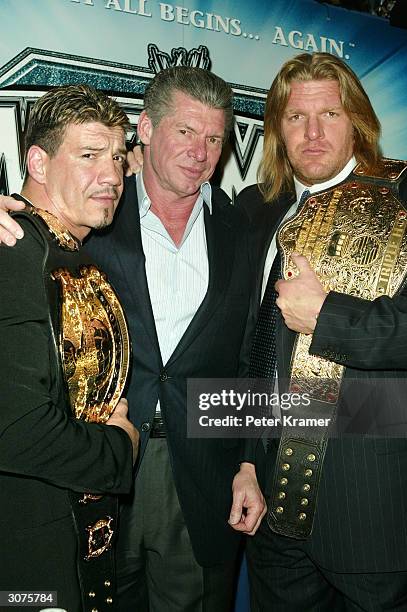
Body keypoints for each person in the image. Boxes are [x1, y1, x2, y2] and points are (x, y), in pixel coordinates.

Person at [0, 66, 266, 611]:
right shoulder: (91, 217)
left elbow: (248, 358)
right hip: (83, 479)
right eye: (186, 131)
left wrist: (249, 462)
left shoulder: (242, 230)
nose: (200, 151)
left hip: (200, 475)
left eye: (215, 137)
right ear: (146, 128)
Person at [237, 52, 407, 611]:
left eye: (330, 114)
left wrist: (327, 318)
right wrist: (250, 462)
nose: (314, 132)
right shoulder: (260, 211)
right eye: (296, 117)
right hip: (276, 520)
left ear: (359, 124)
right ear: (278, 128)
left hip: (378, 521)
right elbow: (255, 352)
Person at [0, 84, 139, 611]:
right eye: (88, 156)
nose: (111, 176)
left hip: (71, 546)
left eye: (118, 157)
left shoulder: (66, 251)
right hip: (26, 565)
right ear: (38, 161)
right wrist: (120, 449)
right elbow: (13, 429)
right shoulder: (13, 248)